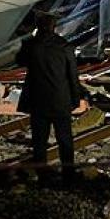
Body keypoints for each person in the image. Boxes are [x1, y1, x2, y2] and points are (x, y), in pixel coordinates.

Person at [17, 18, 90, 184]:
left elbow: (20, 61)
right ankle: (68, 174)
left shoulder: (30, 45)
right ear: (54, 27)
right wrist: (76, 98)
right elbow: (73, 75)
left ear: (38, 27)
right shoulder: (64, 46)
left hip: (38, 101)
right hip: (60, 100)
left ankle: (42, 175)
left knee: (39, 141)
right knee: (65, 139)